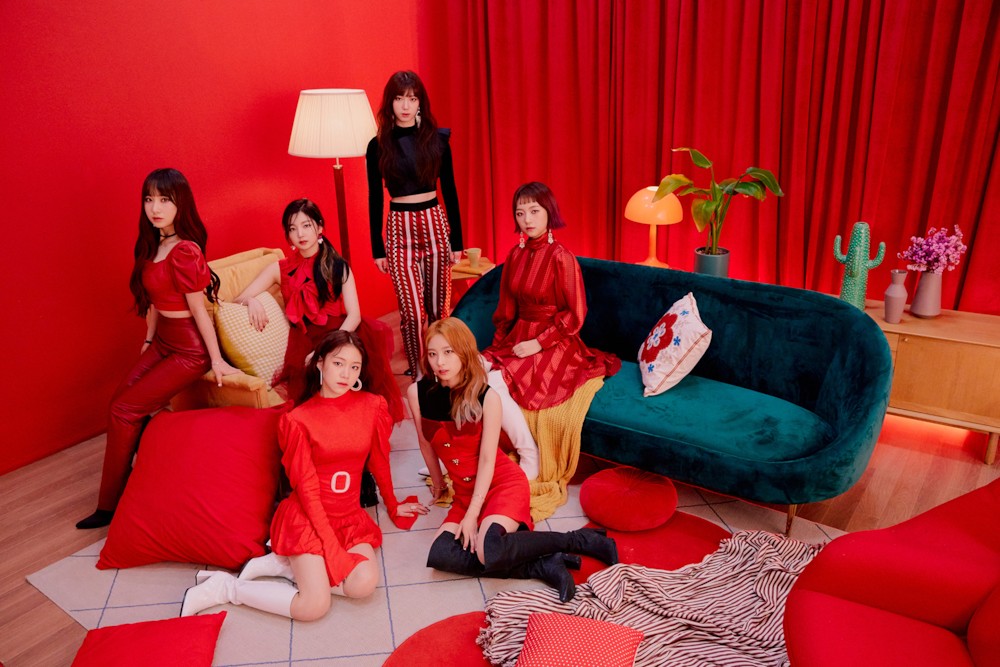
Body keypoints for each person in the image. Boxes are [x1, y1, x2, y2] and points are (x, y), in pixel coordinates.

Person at [181, 330, 427, 620]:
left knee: (362, 585)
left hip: (348, 517)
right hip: (308, 518)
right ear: (320, 364)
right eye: (338, 363)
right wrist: (331, 549)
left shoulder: (372, 406)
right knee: (314, 606)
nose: (346, 374)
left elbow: (379, 462)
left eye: (354, 366)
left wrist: (393, 504)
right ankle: (226, 588)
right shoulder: (298, 420)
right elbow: (308, 491)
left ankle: (287, 566)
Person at [408, 318, 618, 603]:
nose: (439, 362)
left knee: (488, 548)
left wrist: (472, 515)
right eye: (433, 354)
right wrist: (438, 484)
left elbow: (487, 459)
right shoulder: (417, 393)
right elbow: (425, 442)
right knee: (441, 555)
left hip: (501, 483)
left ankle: (581, 540)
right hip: (464, 493)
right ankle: (544, 564)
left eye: (448, 352)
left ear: (464, 352)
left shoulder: (487, 397)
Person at [77, 168, 240, 530]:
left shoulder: (185, 251)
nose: (155, 208)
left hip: (189, 349)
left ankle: (109, 506)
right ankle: (139, 477)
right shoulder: (153, 245)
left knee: (124, 410)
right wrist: (149, 340)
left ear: (181, 203)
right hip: (163, 339)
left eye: (165, 199)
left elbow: (199, 310)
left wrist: (215, 359)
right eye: (149, 199)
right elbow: (153, 302)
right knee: (119, 404)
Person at [231, 198, 403, 424]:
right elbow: (239, 298)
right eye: (293, 229)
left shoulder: (338, 265)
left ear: (319, 227)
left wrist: (327, 349)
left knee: (346, 379)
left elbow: (354, 315)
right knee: (310, 399)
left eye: (306, 225)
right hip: (304, 340)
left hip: (340, 333)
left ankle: (356, 431)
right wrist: (252, 301)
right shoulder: (279, 269)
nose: (300, 234)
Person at [481, 182, 621, 411]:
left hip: (554, 342)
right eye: (520, 213)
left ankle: (519, 438)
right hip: (518, 337)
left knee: (495, 383)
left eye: (534, 211)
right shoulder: (515, 255)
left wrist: (538, 343)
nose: (527, 220)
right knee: (476, 370)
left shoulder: (561, 257)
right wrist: (496, 347)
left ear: (549, 211)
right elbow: (506, 309)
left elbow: (576, 313)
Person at [367, 70, 463, 378]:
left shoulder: (437, 140)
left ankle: (441, 369)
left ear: (420, 102)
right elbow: (374, 197)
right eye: (399, 98)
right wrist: (377, 248)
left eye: (412, 98)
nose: (405, 106)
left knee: (438, 310)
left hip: (435, 225)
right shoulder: (377, 146)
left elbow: (450, 190)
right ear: (390, 103)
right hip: (399, 229)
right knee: (411, 312)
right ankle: (419, 371)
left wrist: (457, 241)